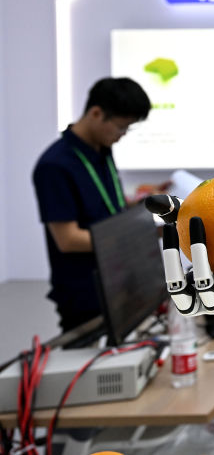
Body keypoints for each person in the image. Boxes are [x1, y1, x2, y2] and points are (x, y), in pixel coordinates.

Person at [31, 77, 151, 331]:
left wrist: (141, 201)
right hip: (86, 294)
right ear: (96, 113)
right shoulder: (54, 166)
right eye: (121, 127)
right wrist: (140, 233)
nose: (122, 136)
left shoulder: (102, 150)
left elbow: (106, 204)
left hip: (121, 282)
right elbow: (68, 239)